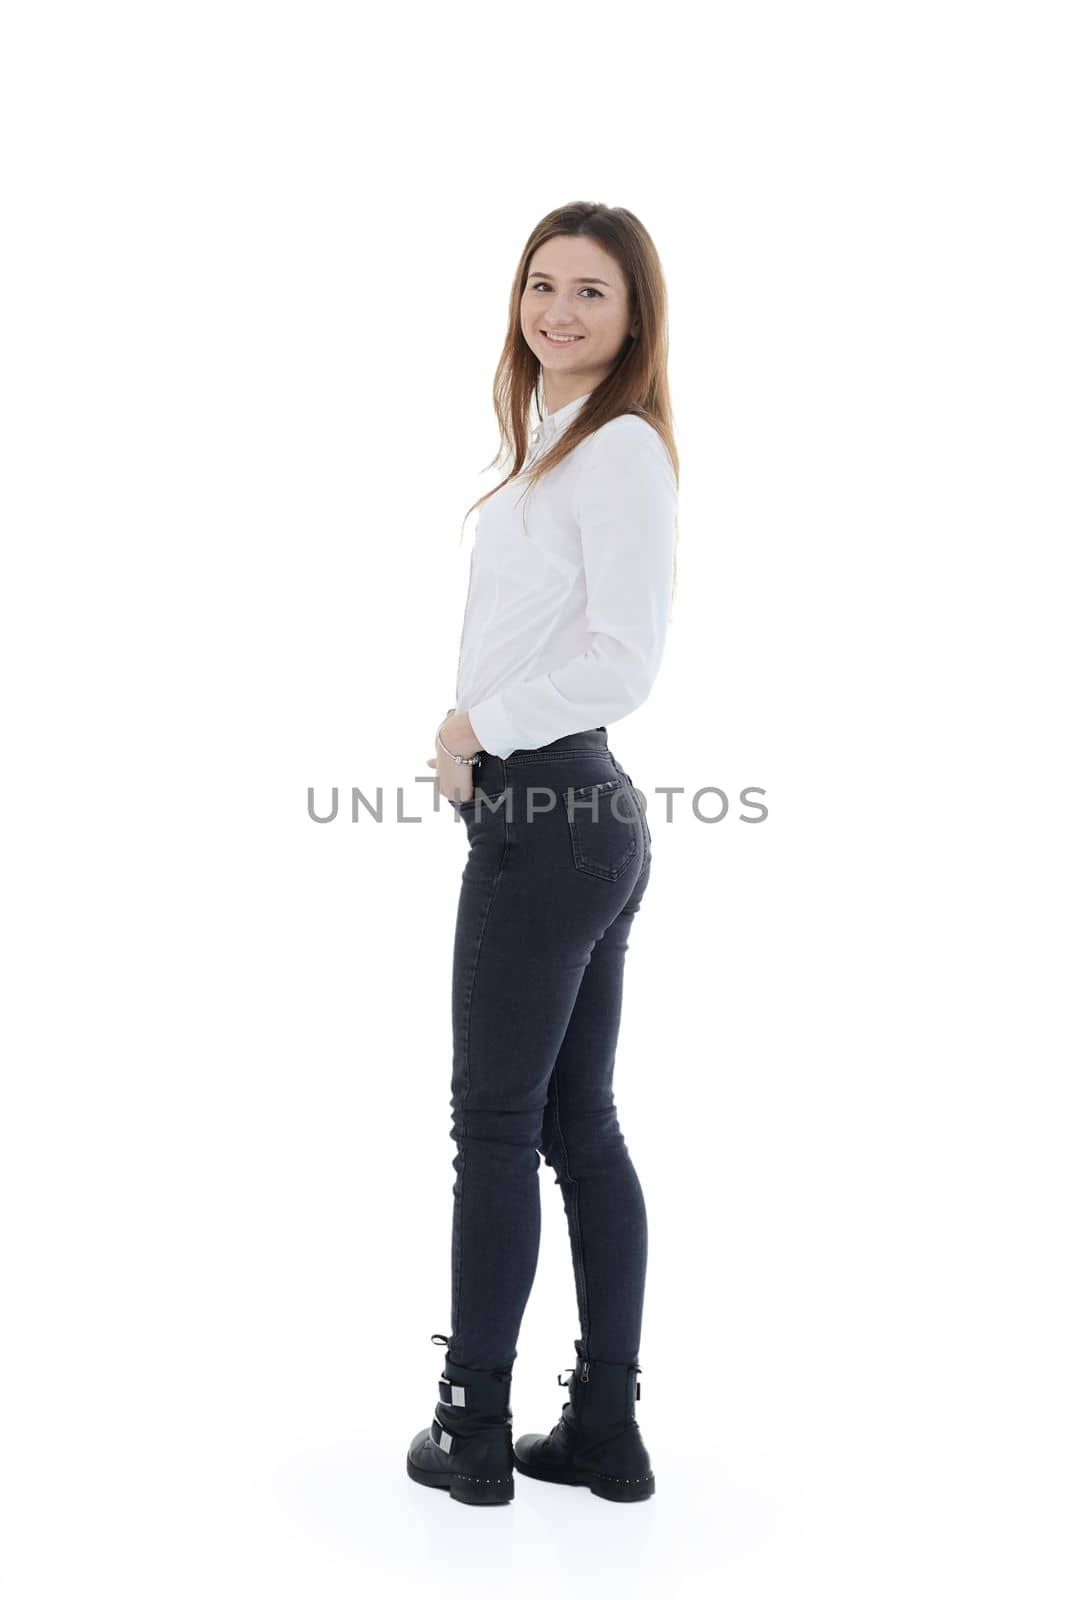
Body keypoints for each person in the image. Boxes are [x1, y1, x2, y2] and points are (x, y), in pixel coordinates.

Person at [406, 201, 679, 1506]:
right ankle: (605, 1435)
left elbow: (623, 658)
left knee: (500, 1128)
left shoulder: (620, 450)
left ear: (634, 319)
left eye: (593, 293)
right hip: (577, 821)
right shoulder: (553, 444)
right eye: (542, 285)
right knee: (574, 1122)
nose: (561, 311)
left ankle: (471, 1428)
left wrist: (476, 727)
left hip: (551, 812)